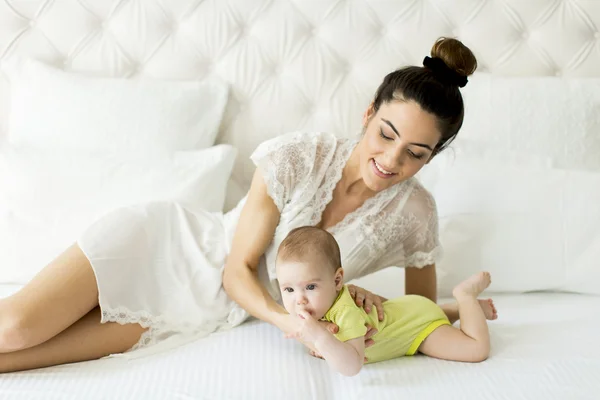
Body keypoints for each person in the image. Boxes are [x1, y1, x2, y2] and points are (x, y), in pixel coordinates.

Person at [0, 37, 496, 373]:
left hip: (203, 313)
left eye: (415, 153)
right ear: (368, 114)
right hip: (171, 247)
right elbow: (237, 269)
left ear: (433, 156)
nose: (391, 159)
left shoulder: (416, 215)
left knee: (17, 359)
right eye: (385, 134)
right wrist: (292, 323)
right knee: (16, 329)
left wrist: (452, 306)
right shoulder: (298, 156)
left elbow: (421, 313)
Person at [277, 226, 492, 376]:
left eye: (310, 287)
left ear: (337, 280)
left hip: (417, 328)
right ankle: (459, 311)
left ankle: (465, 297)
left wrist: (321, 338)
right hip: (409, 309)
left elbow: (352, 366)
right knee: (429, 315)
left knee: (476, 350)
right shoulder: (320, 307)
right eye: (288, 289)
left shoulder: (344, 313)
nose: (299, 300)